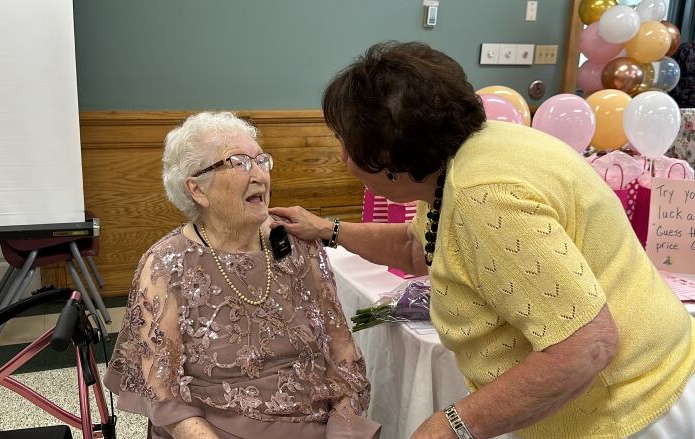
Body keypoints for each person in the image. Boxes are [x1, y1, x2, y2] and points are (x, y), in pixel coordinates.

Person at [269, 41, 695, 439]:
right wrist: (328, 229)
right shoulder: (460, 158)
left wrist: (449, 424)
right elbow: (421, 247)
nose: (342, 157)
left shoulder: (483, 197)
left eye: (345, 144)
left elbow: (585, 345)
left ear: (387, 160)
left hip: (628, 407)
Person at [104, 112, 380, 439]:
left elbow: (342, 353)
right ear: (197, 189)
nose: (260, 174)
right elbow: (162, 393)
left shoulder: (300, 246)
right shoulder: (165, 264)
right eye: (239, 162)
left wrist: (342, 429)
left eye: (262, 160)